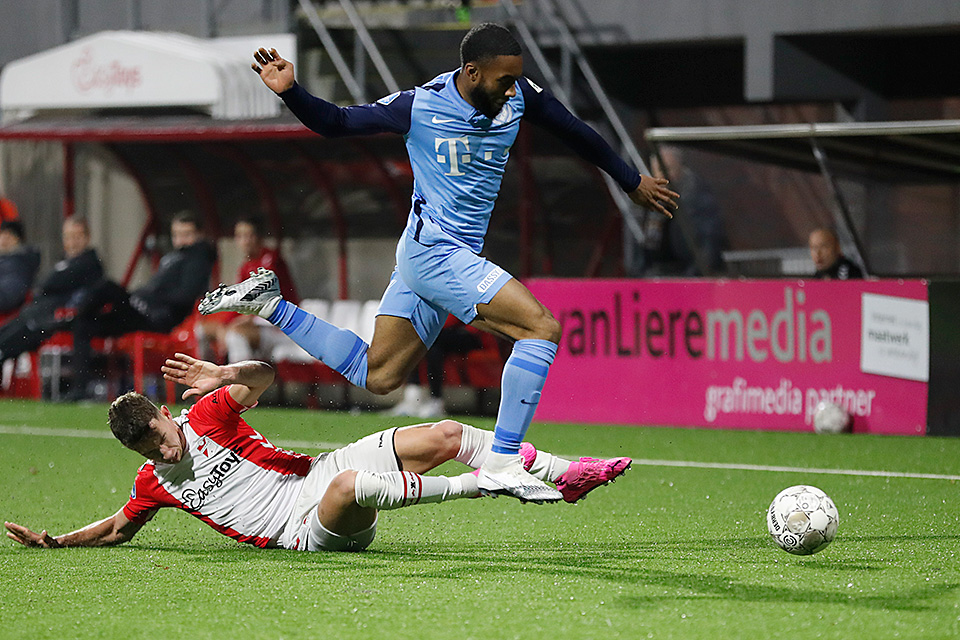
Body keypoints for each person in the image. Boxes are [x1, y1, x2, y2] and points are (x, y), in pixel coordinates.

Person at [199, 24, 677, 503]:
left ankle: (272, 306)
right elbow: (339, 123)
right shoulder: (420, 105)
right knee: (541, 329)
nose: (512, 89)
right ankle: (503, 460)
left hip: (430, 257)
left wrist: (630, 179)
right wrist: (293, 92)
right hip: (435, 251)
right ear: (471, 73)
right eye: (503, 80)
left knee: (379, 376)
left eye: (516, 79)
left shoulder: (520, 97)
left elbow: (577, 132)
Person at [3, 352, 632, 551]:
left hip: (320, 472)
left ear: (166, 414)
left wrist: (224, 374)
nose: (164, 451)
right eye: (149, 449)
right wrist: (60, 542)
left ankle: (559, 473)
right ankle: (488, 484)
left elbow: (266, 377)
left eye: (160, 436)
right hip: (306, 528)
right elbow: (117, 528)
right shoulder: (154, 485)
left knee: (441, 433)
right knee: (352, 485)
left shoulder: (207, 413)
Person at [65, 211, 216, 400]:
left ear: (199, 235)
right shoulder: (173, 257)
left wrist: (148, 299)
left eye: (187, 234)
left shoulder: (198, 259)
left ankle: (68, 318)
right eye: (176, 235)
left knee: (108, 287)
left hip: (156, 319)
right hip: (140, 311)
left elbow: (185, 296)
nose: (181, 240)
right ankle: (79, 389)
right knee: (84, 325)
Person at [0, 217, 103, 365]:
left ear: (87, 238)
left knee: (11, 340)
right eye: (68, 237)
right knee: (9, 331)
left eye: (77, 237)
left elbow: (50, 284)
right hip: (37, 314)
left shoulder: (90, 264)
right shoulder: (64, 263)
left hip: (53, 320)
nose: (72, 243)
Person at [202, 217, 300, 364]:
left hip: (280, 327)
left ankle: (243, 384)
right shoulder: (245, 266)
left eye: (249, 235)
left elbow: (262, 298)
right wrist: (225, 324)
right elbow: (238, 301)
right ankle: (206, 379)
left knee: (235, 335)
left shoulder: (271, 259)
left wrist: (240, 322)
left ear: (259, 237)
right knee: (203, 330)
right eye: (239, 236)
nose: (244, 241)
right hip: (258, 325)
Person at [626, 146, 724, 277]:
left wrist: (690, 279)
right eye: (657, 170)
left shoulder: (698, 198)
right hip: (655, 273)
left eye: (667, 169)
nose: (661, 176)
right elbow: (640, 247)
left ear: (681, 168)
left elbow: (709, 247)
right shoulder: (647, 199)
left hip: (689, 274)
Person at [0, 220, 40, 315]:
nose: (4, 240)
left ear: (18, 240)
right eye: (2, 235)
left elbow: (10, 297)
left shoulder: (18, 263)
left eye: (9, 236)